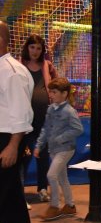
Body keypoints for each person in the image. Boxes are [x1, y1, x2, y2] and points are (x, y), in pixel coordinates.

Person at [0, 20, 35, 223]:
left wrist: (13, 145)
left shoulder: (12, 71)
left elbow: (22, 112)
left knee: (7, 195)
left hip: (7, 138)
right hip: (5, 137)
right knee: (8, 195)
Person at [35, 77, 83, 221]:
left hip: (66, 148)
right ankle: (70, 205)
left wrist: (61, 138)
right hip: (53, 149)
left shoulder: (69, 111)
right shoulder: (50, 109)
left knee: (51, 175)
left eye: (54, 92)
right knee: (62, 177)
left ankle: (54, 206)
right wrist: (39, 144)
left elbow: (78, 129)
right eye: (51, 92)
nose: (51, 95)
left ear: (64, 93)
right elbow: (45, 128)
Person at [20, 34, 57, 204]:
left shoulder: (46, 65)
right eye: (32, 47)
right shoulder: (19, 65)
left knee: (42, 154)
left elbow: (57, 85)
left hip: (43, 118)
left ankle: (42, 188)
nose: (35, 51)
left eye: (38, 48)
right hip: (24, 119)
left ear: (42, 51)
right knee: (23, 154)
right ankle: (18, 191)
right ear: (27, 47)